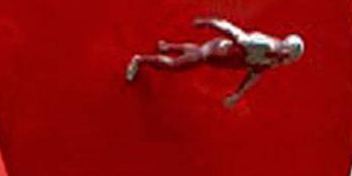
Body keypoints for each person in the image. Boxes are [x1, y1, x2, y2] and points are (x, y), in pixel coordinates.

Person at [125, 17, 304, 106]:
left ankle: (167, 47)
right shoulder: (261, 45)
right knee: (175, 65)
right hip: (216, 52)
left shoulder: (273, 61)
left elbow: (255, 73)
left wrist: (238, 93)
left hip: (222, 58)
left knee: (194, 52)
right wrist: (210, 22)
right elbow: (234, 32)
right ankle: (140, 60)